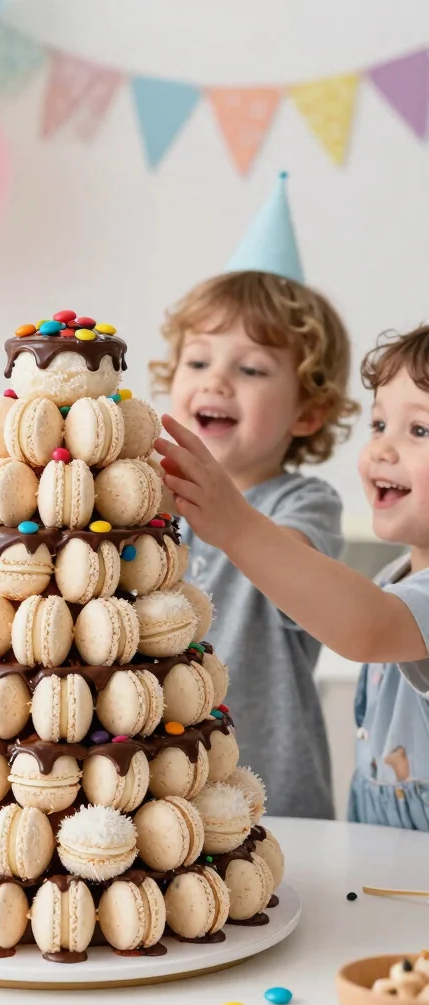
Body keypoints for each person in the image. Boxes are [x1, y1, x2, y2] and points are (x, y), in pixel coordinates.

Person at [157, 325, 429, 831]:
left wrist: (237, 527)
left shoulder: (307, 511)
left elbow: (367, 629)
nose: (382, 450)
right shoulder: (396, 578)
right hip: (385, 852)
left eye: (420, 431)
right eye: (379, 425)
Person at [150, 269, 358, 819]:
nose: (217, 381)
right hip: (159, 791)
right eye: (198, 362)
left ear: (307, 412)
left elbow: (296, 576)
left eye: (251, 369)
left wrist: (231, 520)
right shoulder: (151, 498)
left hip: (272, 800)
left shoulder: (304, 503)